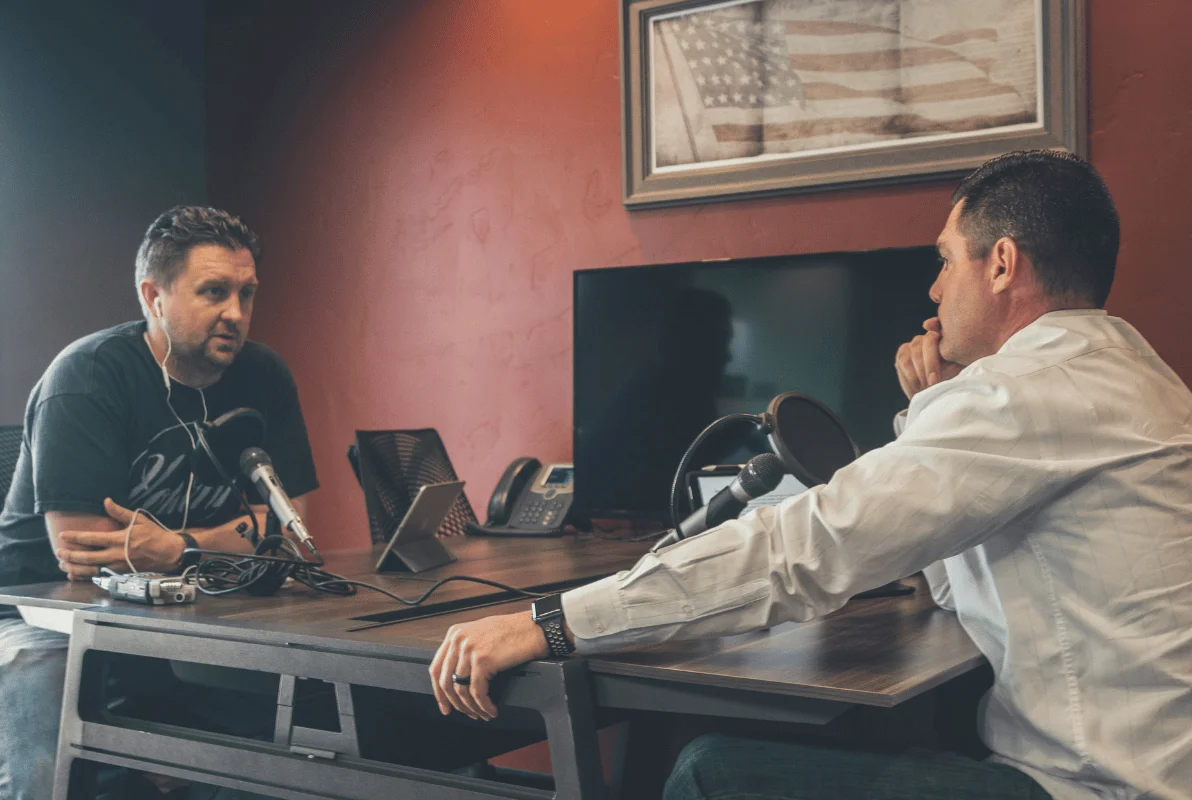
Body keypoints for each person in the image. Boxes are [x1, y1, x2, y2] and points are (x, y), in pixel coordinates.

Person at [428, 150, 1192, 799]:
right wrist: (932, 410)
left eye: (943, 259)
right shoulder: (1126, 375)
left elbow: (799, 550)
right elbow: (952, 587)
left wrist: (547, 623)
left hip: (1088, 787)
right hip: (1131, 772)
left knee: (709, 772)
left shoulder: (1023, 394)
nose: (933, 291)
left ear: (1000, 263)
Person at [0, 206, 318, 799]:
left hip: (183, 607)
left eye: (246, 294)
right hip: (32, 613)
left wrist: (180, 548)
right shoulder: (87, 377)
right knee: (43, 675)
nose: (236, 314)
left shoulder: (265, 376)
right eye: (214, 292)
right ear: (154, 296)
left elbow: (290, 533)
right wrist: (234, 537)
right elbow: (86, 559)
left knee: (305, 698)